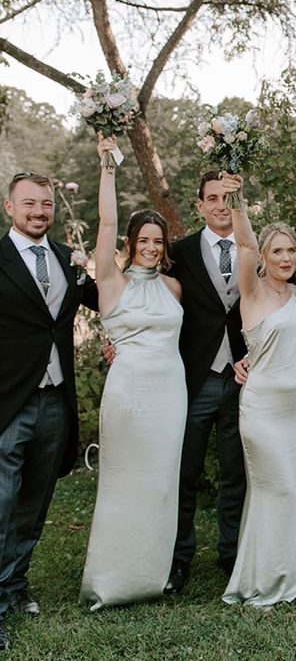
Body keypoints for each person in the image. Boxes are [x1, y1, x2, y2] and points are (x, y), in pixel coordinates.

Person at [80, 135, 186, 610]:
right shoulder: (111, 282)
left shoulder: (174, 287)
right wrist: (108, 166)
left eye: (157, 242)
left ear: (164, 247)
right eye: (142, 240)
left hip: (170, 393)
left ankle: (151, 575)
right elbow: (104, 221)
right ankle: (113, 578)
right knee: (124, 482)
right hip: (128, 393)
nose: (149, 247)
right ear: (130, 243)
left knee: (161, 483)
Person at [0, 172, 98, 649]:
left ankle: (14, 586)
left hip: (55, 400)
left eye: (46, 204)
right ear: (9, 207)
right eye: (29, 204)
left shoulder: (65, 258)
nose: (39, 211)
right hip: (8, 402)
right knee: (1, 502)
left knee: (34, 504)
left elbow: (110, 302)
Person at [222, 175, 296, 607]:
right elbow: (241, 247)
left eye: (290, 249)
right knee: (276, 488)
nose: (285, 257)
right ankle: (263, 579)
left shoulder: (295, 292)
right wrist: (236, 198)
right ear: (263, 255)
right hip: (262, 408)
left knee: (293, 489)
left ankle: (286, 568)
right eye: (276, 250)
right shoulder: (252, 290)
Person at [164, 171, 247, 593]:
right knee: (186, 473)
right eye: (212, 198)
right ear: (199, 205)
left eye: (227, 198)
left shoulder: (253, 250)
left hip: (244, 381)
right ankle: (178, 560)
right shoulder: (178, 252)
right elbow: (142, 291)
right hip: (194, 379)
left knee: (236, 472)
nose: (220, 206)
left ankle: (230, 552)